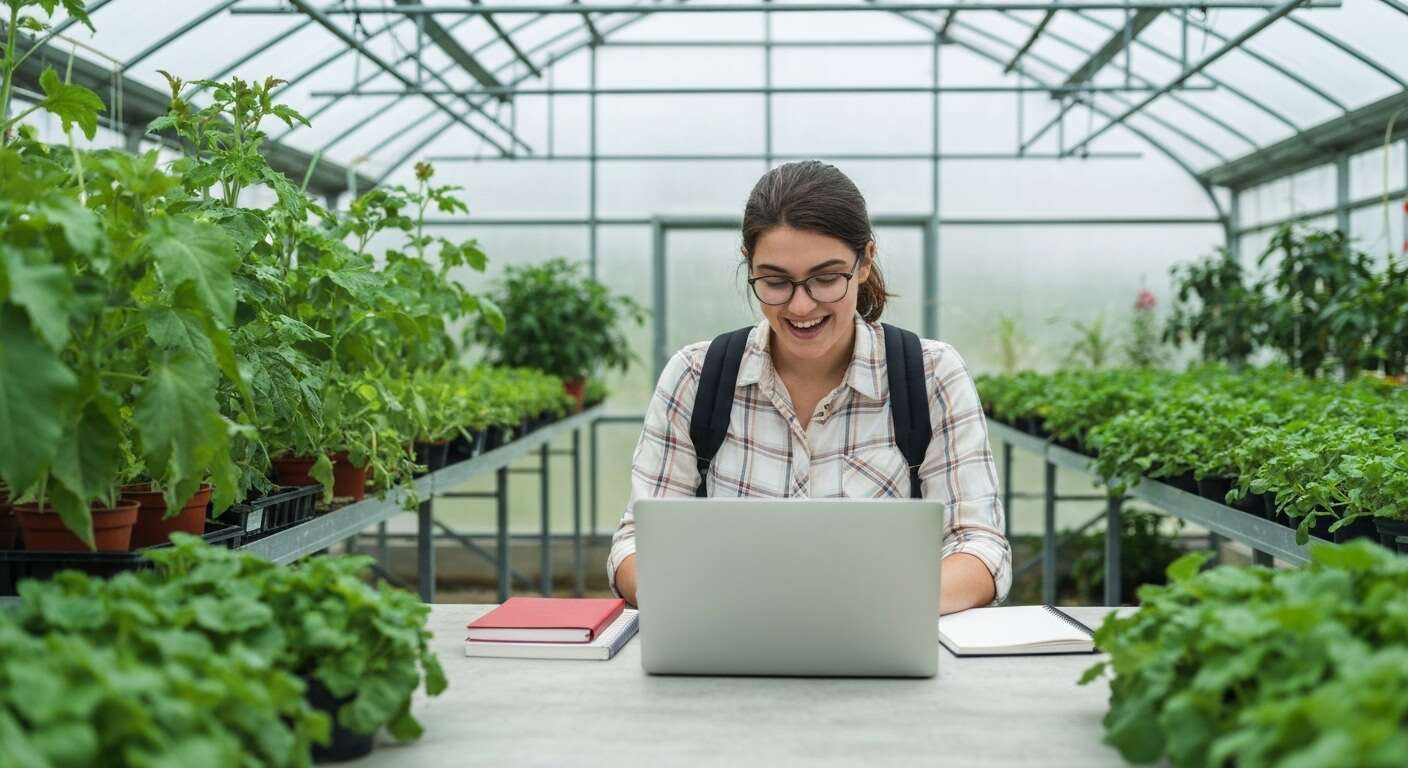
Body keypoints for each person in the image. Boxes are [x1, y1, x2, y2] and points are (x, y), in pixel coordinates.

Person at [608, 160, 1011, 614]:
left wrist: (859, 609)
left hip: (878, 643)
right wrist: (708, 604)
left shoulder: (932, 375)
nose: (801, 306)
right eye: (775, 281)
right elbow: (635, 544)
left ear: (865, 261)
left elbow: (979, 546)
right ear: (749, 266)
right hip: (728, 645)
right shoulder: (695, 377)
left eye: (826, 278)